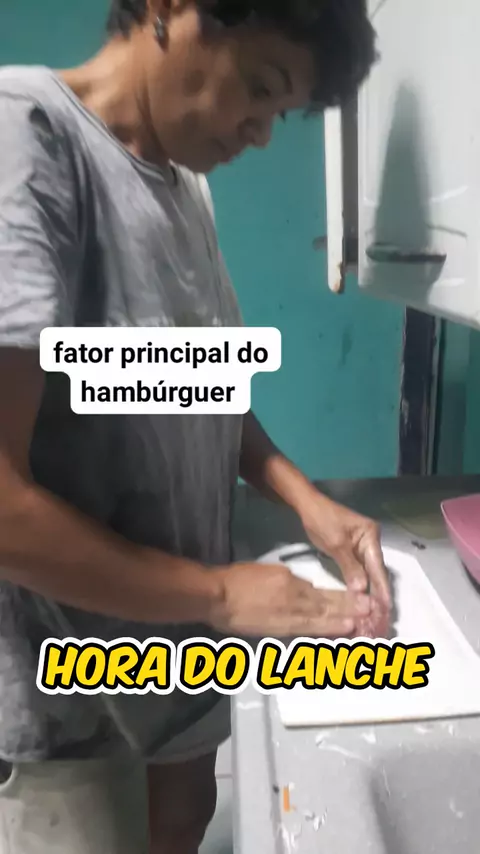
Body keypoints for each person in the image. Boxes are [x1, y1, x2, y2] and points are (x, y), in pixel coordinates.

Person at [0, 1, 391, 851]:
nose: (261, 134)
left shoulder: (187, 187)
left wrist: (307, 502)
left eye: (281, 113)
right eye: (260, 86)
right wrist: (222, 593)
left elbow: (196, 385)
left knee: (184, 819)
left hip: (177, 647)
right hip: (68, 694)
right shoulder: (26, 138)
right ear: (169, 9)